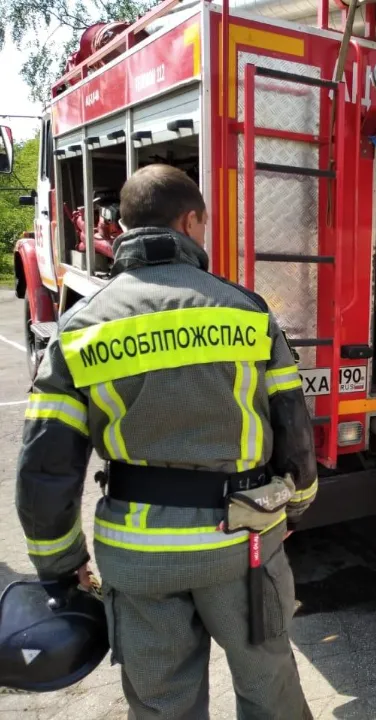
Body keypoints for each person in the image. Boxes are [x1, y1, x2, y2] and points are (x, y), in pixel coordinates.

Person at [16, 165, 318, 718]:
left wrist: (60, 562)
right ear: (189, 220)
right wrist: (293, 507)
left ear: (124, 225)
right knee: (270, 691)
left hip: (139, 558)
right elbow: (292, 428)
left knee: (161, 706)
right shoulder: (246, 310)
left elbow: (45, 465)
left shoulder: (81, 326)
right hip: (243, 545)